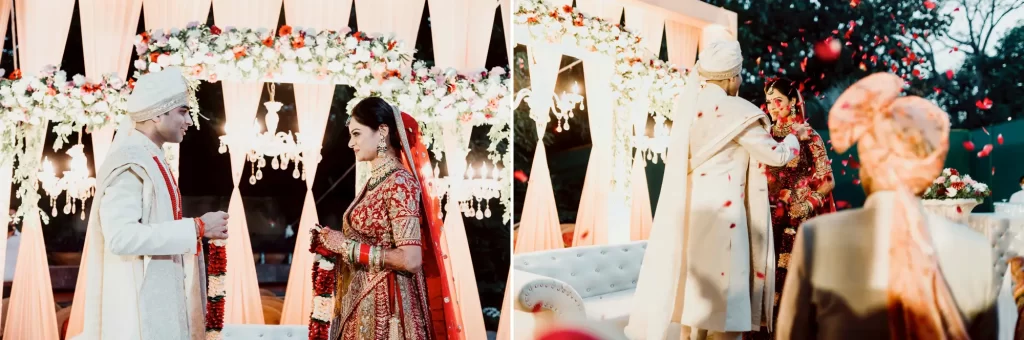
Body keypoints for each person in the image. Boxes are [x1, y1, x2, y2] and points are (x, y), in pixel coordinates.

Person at [775, 73, 1015, 339]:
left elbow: (791, 334)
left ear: (866, 161)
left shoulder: (816, 239)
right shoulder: (977, 250)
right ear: (932, 167)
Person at [624, 37, 804, 340]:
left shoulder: (688, 110)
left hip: (692, 218)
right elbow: (777, 156)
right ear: (732, 76)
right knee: (723, 311)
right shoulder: (738, 112)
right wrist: (794, 138)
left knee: (696, 307)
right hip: (725, 223)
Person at [75, 67, 230, 340]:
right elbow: (121, 237)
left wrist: (198, 228)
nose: (190, 121)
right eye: (183, 111)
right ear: (158, 114)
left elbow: (154, 227)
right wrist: (197, 227)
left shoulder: (151, 157)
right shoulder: (130, 161)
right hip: (136, 310)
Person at [316, 97, 460, 339]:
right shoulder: (373, 182)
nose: (351, 143)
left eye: (357, 134)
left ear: (382, 131)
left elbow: (411, 259)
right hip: (361, 302)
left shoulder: (400, 182)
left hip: (388, 309)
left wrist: (347, 247)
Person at [747, 78, 836, 339]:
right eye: (769, 102)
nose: (773, 108)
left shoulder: (808, 135)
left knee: (793, 281)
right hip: (766, 220)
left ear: (793, 102)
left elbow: (828, 180)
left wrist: (807, 204)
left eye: (779, 101)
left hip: (796, 223)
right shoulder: (764, 137)